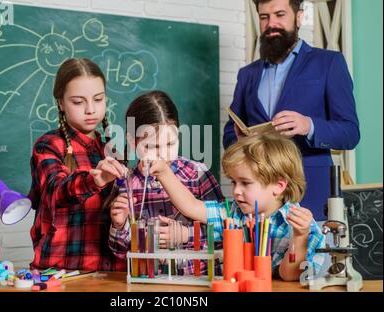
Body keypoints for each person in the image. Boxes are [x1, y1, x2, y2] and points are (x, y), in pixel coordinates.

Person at [223, 0, 360, 221]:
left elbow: (350, 133)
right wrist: (240, 142)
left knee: (313, 257)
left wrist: (309, 125)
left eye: (279, 14)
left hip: (312, 197)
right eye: (264, 17)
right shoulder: (247, 74)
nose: (271, 24)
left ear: (299, 17)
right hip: (259, 206)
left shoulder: (329, 63)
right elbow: (230, 133)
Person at [151, 134, 325, 281]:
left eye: (245, 183)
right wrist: (164, 173)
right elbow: (191, 206)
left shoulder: (302, 226)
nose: (236, 191)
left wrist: (299, 237)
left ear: (279, 186)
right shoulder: (233, 213)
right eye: (234, 182)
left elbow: (290, 275)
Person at [108, 90, 224, 274]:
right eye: (152, 147)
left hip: (200, 281)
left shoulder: (197, 174)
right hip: (149, 282)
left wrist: (187, 236)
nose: (163, 154)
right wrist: (119, 225)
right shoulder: (125, 184)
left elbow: (226, 231)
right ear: (132, 142)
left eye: (170, 144)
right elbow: (120, 252)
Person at [28, 58, 126, 271]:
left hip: (112, 272)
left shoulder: (113, 149)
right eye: (78, 102)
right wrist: (94, 180)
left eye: (98, 99)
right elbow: (55, 191)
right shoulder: (49, 145)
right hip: (63, 272)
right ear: (61, 103)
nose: (90, 109)